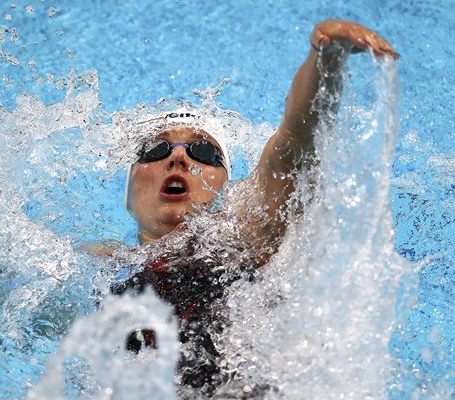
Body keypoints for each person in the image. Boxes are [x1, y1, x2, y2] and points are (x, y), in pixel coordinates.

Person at [110, 19, 398, 397]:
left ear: (224, 186)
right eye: (155, 150)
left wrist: (324, 57)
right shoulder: (95, 263)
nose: (179, 157)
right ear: (128, 193)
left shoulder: (241, 235)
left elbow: (294, 140)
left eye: (203, 151)